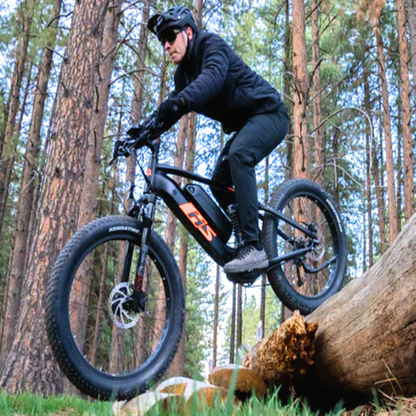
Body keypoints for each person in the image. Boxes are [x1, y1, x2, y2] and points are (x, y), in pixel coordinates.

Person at [147, 6, 289, 275]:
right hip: (247, 124)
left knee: (239, 154)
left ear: (188, 32)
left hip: (270, 113)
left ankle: (253, 247)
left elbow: (211, 79)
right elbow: (170, 109)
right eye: (162, 40)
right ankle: (247, 235)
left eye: (170, 36)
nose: (166, 45)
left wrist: (180, 101)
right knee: (218, 181)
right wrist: (143, 130)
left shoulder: (211, 46)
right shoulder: (183, 76)